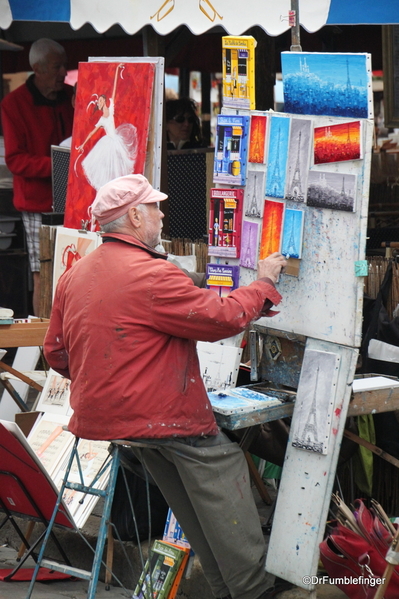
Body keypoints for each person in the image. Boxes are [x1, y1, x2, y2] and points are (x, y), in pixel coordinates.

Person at [44, 174, 287, 599]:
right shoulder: (151, 275)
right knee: (220, 472)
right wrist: (263, 283)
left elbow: (56, 353)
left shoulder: (76, 274)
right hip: (160, 416)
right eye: (155, 208)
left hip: (112, 420)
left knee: (194, 499)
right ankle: (252, 589)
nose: (161, 215)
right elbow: (222, 318)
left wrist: (107, 380)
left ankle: (226, 587)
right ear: (135, 216)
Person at [1, 38, 74, 316]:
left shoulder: (71, 97)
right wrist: (58, 164)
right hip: (37, 203)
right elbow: (15, 160)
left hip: (72, 198)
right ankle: (44, 343)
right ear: (38, 68)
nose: (64, 72)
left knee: (75, 267)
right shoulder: (14, 104)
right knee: (42, 272)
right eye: (57, 67)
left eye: (64, 65)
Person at [76, 63, 138, 191]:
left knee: (117, 168)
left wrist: (116, 71)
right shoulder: (102, 119)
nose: (101, 101)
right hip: (107, 143)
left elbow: (114, 90)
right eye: (99, 101)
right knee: (106, 170)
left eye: (101, 100)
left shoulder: (111, 109)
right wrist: (83, 145)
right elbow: (91, 133)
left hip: (115, 139)